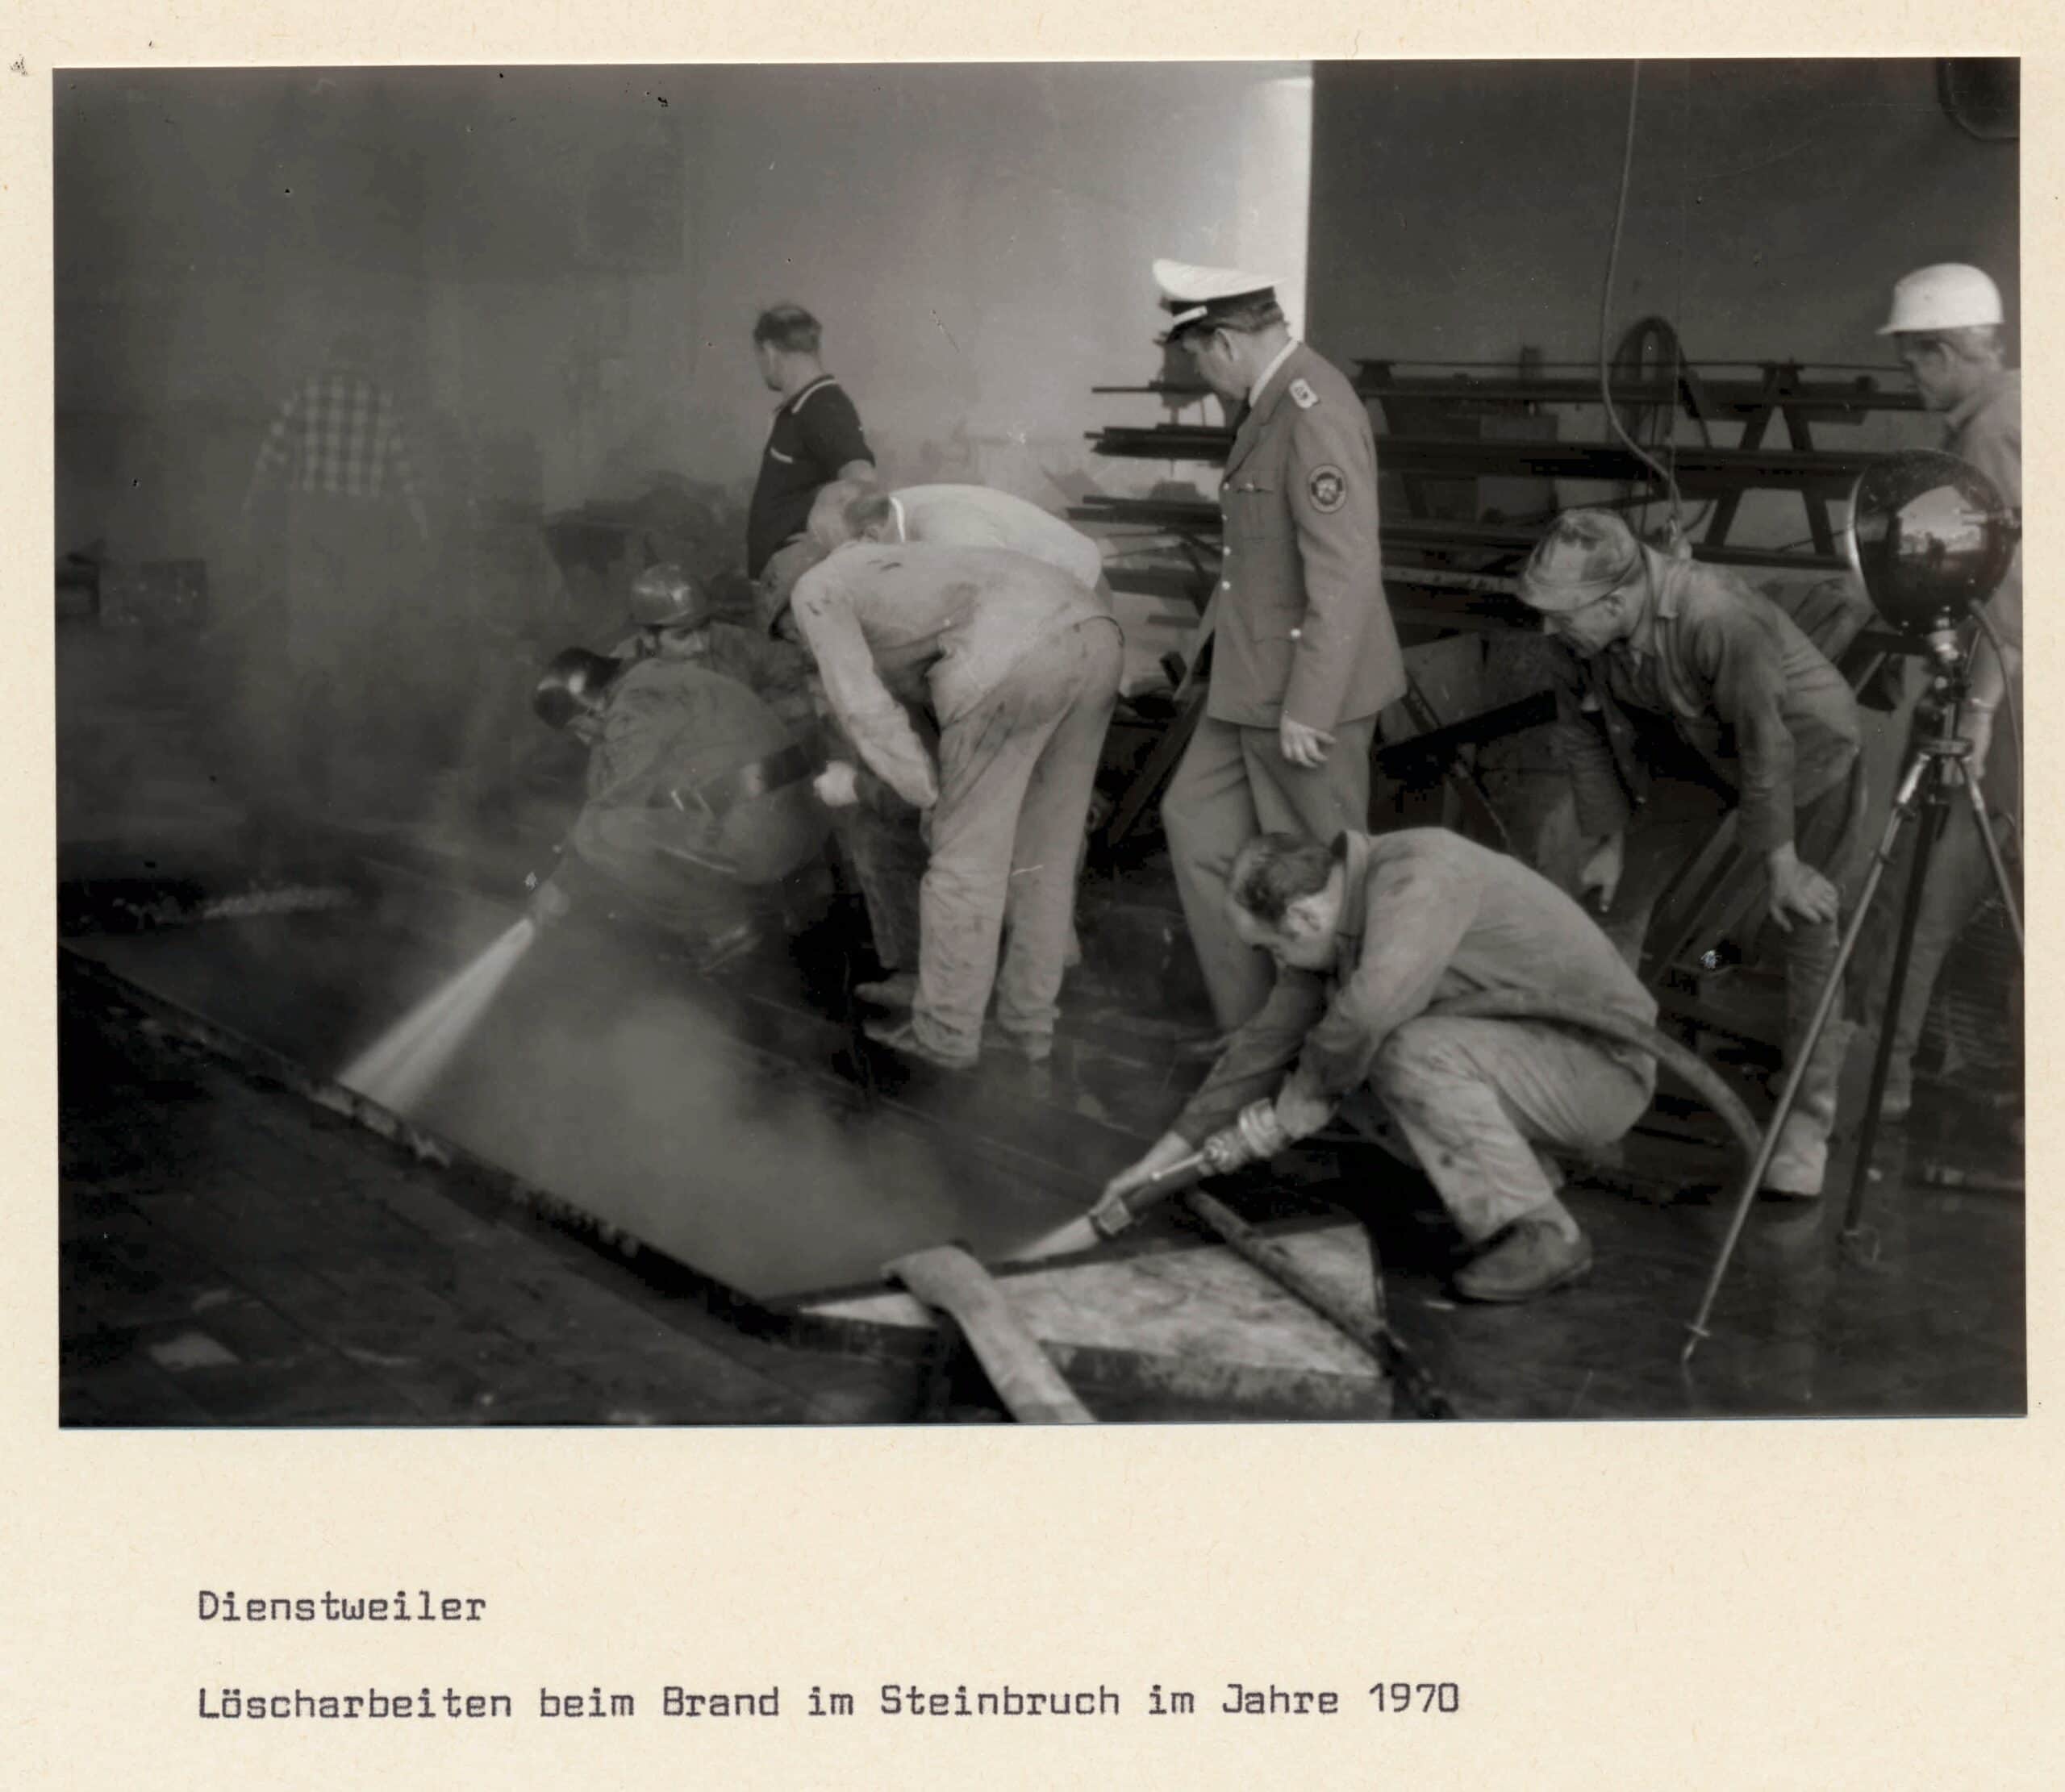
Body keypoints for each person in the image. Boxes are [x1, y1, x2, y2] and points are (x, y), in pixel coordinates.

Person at [1097, 828, 1658, 1302]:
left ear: (1301, 916)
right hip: (1528, 1056)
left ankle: (1545, 1232)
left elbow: (1370, 1013)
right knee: (1334, 1055)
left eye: (1272, 947)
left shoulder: (1421, 877)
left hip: (1600, 1068)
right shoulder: (1335, 920)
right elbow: (1263, 1048)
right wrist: (1155, 1166)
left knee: (1389, 1051)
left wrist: (1294, 1112)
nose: (1275, 960)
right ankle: (1520, 1176)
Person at [1518, 508, 1866, 1198]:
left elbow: (1767, 746)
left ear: (1615, 602)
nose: (1549, 631)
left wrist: (1782, 866)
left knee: (1806, 921)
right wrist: (1612, 841)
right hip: (1700, 749)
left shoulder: (1719, 615)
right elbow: (1583, 737)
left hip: (1805, 751)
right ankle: (1596, 1092)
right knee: (1616, 903)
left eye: (1561, 616)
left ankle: (1806, 1123)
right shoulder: (1577, 634)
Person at [1149, 260, 1407, 1035]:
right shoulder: (1269, 408)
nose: (1198, 373)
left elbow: (1345, 574)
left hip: (1303, 693)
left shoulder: (1313, 408)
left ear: (1226, 343)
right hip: (1249, 684)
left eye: (1196, 356)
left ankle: (1343, 1049)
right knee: (1195, 823)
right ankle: (1257, 1032)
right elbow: (1251, 567)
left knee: (1326, 881)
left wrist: (1312, 705)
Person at [784, 543, 1122, 1069]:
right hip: (1097, 635)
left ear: (783, 609)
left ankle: (947, 1034)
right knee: (1046, 857)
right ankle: (1029, 1024)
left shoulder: (815, 592)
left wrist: (925, 796)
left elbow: (863, 709)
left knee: (964, 865)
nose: (799, 648)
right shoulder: (892, 572)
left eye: (789, 637)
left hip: (1014, 651)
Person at [1851, 263, 2021, 1122]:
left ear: (1948, 351)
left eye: (1915, 360)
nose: (1910, 379)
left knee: (1920, 892)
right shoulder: (2026, 405)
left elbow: (2013, 601)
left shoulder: (1990, 433)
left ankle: (1879, 1079)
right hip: (2016, 689)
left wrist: (1977, 711)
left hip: (2005, 698)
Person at [527, 579, 829, 969]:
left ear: (591, 706)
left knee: (602, 832)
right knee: (638, 820)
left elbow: (615, 802)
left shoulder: (635, 705)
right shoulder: (655, 678)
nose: (583, 738)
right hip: (801, 818)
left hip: (770, 839)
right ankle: (762, 901)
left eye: (577, 727)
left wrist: (557, 884)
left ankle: (727, 926)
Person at [240, 332, 432, 808]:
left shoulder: (306, 393)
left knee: (310, 634)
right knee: (353, 632)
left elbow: (270, 458)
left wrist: (251, 508)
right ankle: (343, 753)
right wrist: (422, 524)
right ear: (364, 359)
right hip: (362, 525)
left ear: (331, 355)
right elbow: (406, 474)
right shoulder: (382, 402)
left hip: (311, 520)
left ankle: (311, 754)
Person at [745, 304, 876, 627]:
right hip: (782, 593)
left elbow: (862, 482)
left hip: (799, 595)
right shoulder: (800, 407)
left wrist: (815, 550)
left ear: (769, 351)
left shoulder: (823, 406)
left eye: (759, 358)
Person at [807, 480, 1108, 597]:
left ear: (871, 535)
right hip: (1030, 589)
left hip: (1082, 589)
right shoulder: (881, 513)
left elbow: (991, 600)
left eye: (844, 554)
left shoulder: (943, 527)